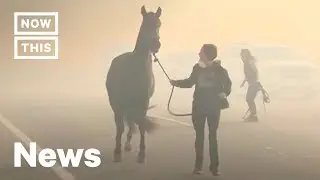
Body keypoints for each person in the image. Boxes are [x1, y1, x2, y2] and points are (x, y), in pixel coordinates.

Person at [170, 44, 232, 176]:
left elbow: (228, 86)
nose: (199, 54)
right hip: (201, 107)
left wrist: (224, 93)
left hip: (210, 107)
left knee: (210, 136)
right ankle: (202, 167)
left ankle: (212, 167)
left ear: (206, 54)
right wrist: (175, 83)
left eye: (201, 52)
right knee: (202, 137)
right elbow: (190, 82)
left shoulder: (219, 70)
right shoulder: (199, 68)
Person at [240, 49, 260, 122]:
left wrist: (255, 81)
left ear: (248, 55)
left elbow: (255, 71)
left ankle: (254, 116)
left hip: (254, 84)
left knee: (249, 99)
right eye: (242, 54)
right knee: (249, 99)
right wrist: (243, 82)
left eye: (244, 54)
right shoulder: (246, 63)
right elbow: (248, 74)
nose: (242, 56)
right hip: (252, 84)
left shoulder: (249, 62)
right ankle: (253, 115)